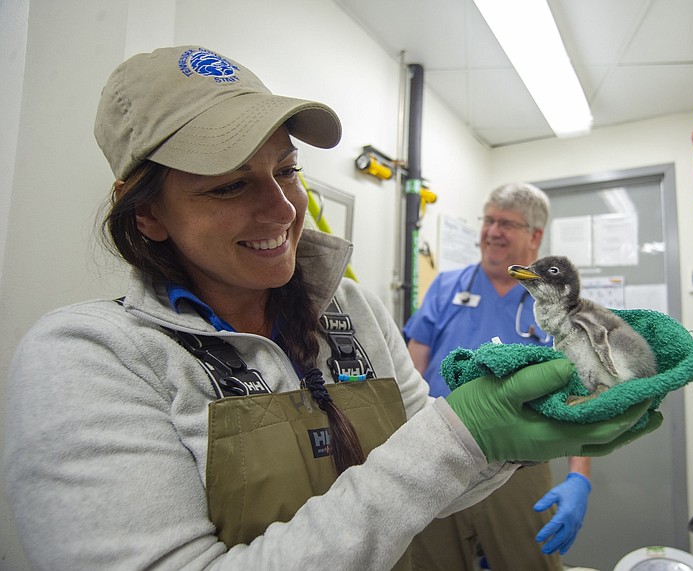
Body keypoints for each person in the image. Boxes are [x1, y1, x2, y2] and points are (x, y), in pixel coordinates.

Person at [4, 46, 656, 570]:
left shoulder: (350, 310)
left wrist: (505, 446)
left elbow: (428, 472)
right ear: (145, 211)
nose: (283, 210)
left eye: (286, 170)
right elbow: (429, 455)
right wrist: (463, 432)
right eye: (231, 184)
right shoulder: (91, 359)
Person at [405, 183, 592, 570]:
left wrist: (579, 478)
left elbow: (580, 398)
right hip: (440, 457)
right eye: (488, 219)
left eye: (506, 223)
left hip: (519, 465)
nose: (491, 231)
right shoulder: (445, 288)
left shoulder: (558, 306)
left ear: (535, 236)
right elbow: (411, 374)